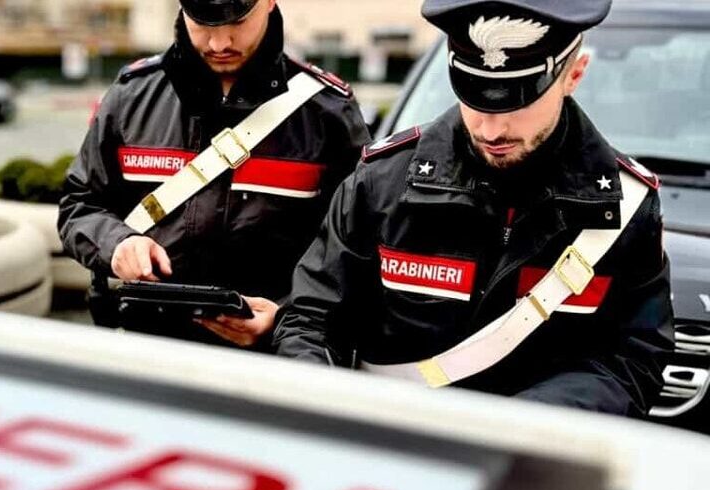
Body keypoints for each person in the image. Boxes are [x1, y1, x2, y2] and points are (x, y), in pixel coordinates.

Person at [272, 0, 674, 417]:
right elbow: (311, 319)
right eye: (476, 99)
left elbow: (632, 358)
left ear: (573, 74)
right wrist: (320, 404)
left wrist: (526, 422)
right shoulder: (382, 184)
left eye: (517, 104)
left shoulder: (626, 208)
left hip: (534, 464)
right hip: (388, 446)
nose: (492, 129)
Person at [58, 0, 370, 348]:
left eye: (237, 22)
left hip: (274, 364)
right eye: (203, 22)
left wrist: (285, 318)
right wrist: (117, 244)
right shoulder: (131, 96)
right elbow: (78, 205)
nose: (219, 43)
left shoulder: (328, 112)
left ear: (269, 2)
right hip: (146, 352)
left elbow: (358, 252)